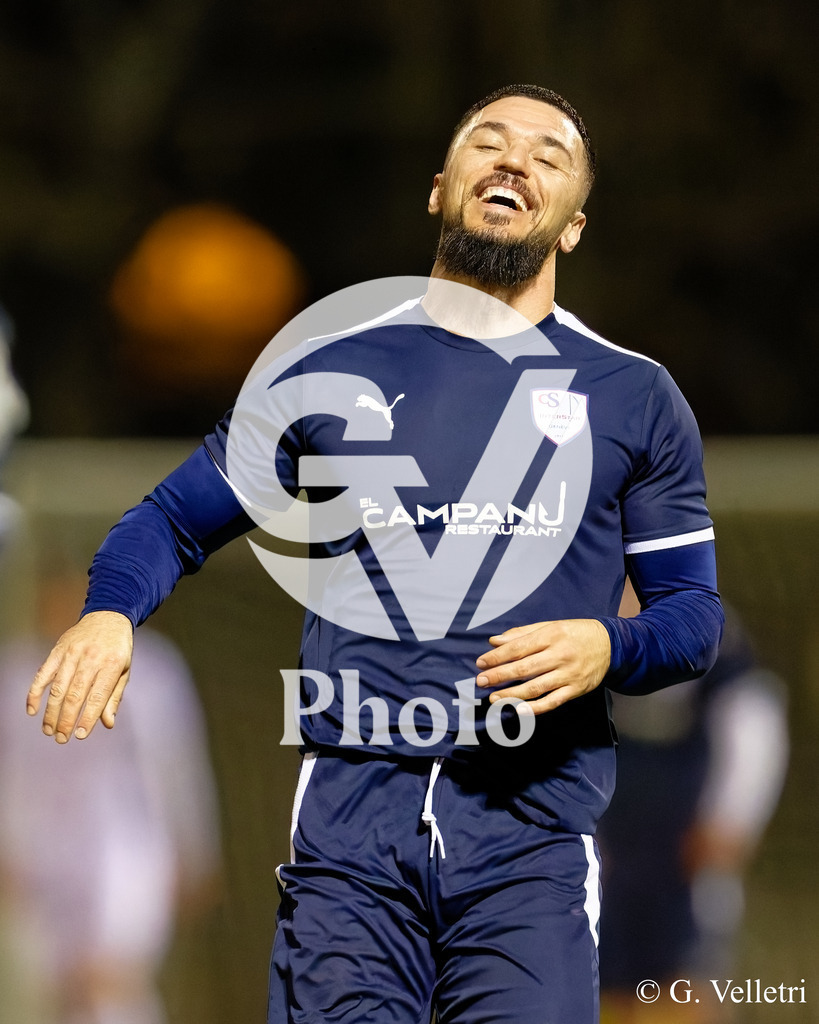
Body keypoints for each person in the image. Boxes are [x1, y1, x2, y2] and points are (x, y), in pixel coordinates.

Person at [26, 85, 724, 1024]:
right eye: (488, 142)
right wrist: (110, 611)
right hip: (349, 856)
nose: (514, 161)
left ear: (573, 227)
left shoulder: (632, 397)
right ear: (439, 188)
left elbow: (691, 618)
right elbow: (172, 518)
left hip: (531, 851)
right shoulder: (328, 366)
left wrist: (608, 645)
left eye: (547, 156)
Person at [3, 557, 222, 1024]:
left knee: (115, 983)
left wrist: (194, 850)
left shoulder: (152, 672)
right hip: (38, 853)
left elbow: (178, 767)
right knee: (54, 991)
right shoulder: (16, 677)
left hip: (129, 849)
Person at [598, 597, 788, 1024]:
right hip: (612, 839)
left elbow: (752, 717)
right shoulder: (584, 616)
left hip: (682, 847)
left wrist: (731, 817)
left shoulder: (706, 626)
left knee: (684, 971)